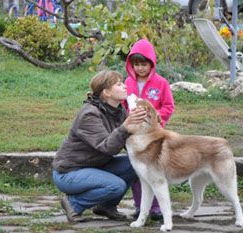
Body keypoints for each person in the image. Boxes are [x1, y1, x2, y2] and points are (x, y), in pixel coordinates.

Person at [52, 70, 147, 223]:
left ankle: (106, 207)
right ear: (106, 92)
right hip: (69, 173)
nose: (125, 86)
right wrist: (126, 127)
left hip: (96, 166)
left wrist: (146, 128)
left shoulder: (118, 110)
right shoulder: (89, 114)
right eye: (119, 84)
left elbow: (128, 140)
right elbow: (107, 147)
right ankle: (73, 203)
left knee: (137, 164)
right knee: (116, 186)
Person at [124, 38, 175, 220]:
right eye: (136, 64)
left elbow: (168, 105)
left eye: (144, 64)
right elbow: (123, 105)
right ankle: (140, 207)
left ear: (151, 63)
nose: (140, 68)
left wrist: (158, 118)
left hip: (153, 135)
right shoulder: (128, 83)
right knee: (138, 172)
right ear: (131, 64)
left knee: (154, 171)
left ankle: (156, 208)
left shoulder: (161, 83)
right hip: (134, 135)